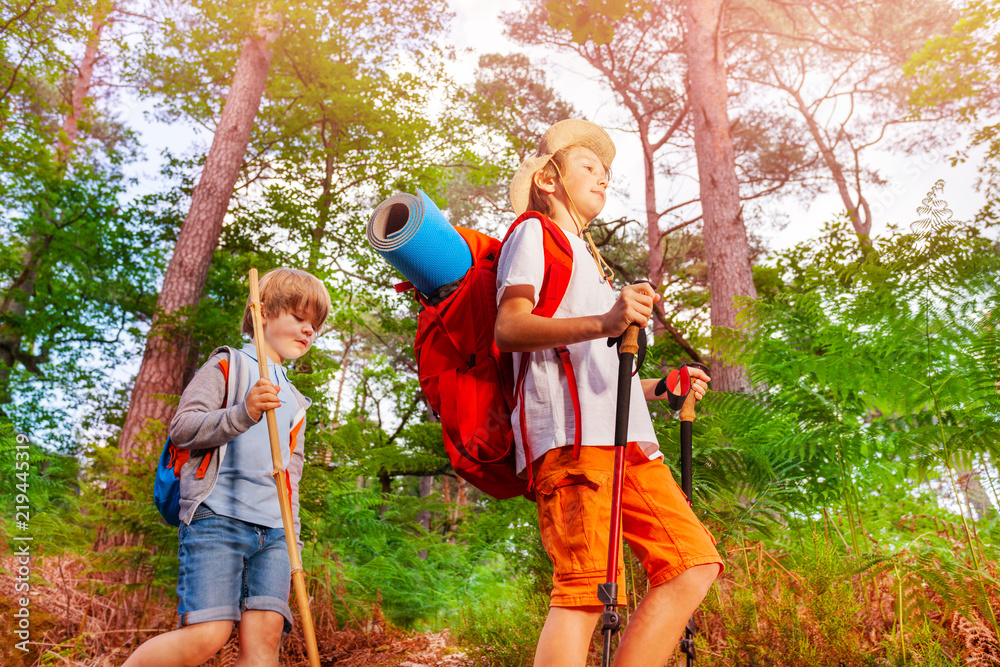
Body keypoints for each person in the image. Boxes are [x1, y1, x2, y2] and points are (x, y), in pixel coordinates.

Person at [494, 119, 723, 667]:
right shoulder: (534, 234)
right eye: (588, 167)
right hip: (573, 441)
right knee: (588, 593)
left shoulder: (591, 263)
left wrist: (661, 387)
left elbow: (599, 371)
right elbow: (510, 327)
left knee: (692, 563)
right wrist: (605, 320)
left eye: (606, 172)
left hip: (626, 442)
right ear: (549, 179)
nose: (602, 179)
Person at [124, 268, 331, 667]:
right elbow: (183, 428)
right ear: (263, 313)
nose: (309, 331)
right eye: (299, 318)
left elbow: (291, 481)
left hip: (273, 536)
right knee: (207, 634)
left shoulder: (296, 400)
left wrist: (294, 548)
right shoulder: (228, 365)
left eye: (315, 326)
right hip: (217, 519)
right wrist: (244, 412)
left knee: (264, 644)